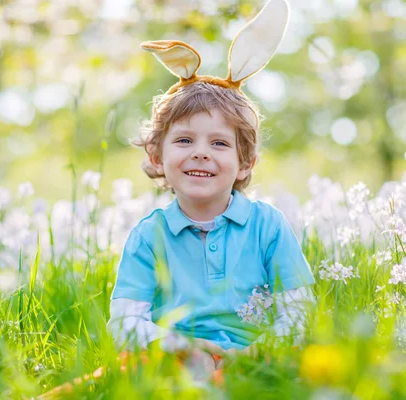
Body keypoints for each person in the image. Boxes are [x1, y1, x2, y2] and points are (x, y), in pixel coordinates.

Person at [107, 0, 316, 383]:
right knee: (136, 372)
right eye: (185, 139)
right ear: (157, 157)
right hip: (177, 356)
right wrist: (181, 347)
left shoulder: (268, 227)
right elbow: (124, 322)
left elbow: (298, 312)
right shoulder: (148, 236)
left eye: (219, 144)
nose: (201, 151)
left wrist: (256, 352)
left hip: (256, 356)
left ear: (246, 163)